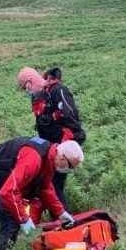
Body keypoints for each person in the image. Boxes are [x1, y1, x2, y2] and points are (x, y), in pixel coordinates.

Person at [39, 67, 86, 209]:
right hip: (57, 143)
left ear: (51, 78)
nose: (42, 82)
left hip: (64, 144)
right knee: (53, 182)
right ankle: (61, 216)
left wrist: (70, 138)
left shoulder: (59, 90)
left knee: (55, 182)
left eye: (44, 78)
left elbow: (68, 113)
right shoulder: (48, 93)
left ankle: (63, 218)